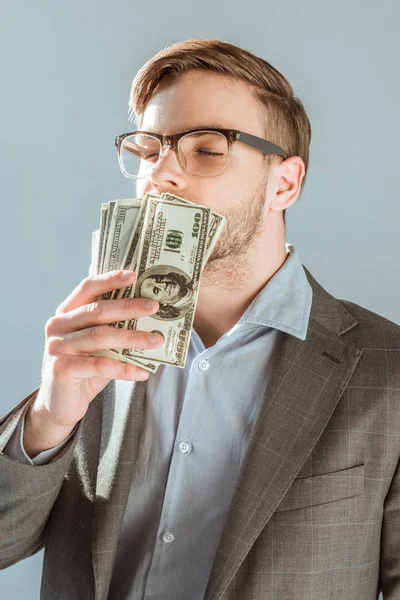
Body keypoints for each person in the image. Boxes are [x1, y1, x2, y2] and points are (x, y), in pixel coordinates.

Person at [0, 39, 399, 600]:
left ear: (284, 184)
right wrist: (47, 420)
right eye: (148, 150)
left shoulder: (389, 373)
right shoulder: (91, 343)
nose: (161, 176)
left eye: (206, 151)